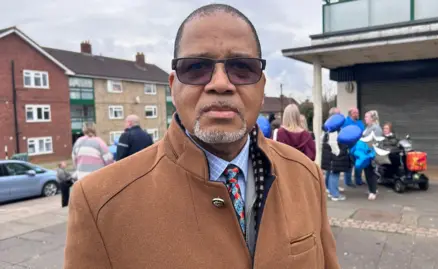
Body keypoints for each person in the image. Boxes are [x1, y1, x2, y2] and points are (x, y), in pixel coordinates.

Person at [64, 4, 339, 269]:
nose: (220, 84)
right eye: (196, 67)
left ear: (262, 87)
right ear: (173, 87)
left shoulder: (306, 176)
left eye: (242, 67)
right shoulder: (99, 202)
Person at [321, 107, 351, 201]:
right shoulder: (333, 127)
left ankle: (330, 189)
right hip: (333, 154)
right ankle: (335, 194)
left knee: (330, 171)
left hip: (328, 154)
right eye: (338, 114)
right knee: (335, 172)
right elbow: (333, 142)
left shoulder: (327, 125)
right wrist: (339, 153)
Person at [342, 107, 365, 187]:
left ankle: (358, 180)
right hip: (349, 147)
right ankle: (348, 181)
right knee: (349, 165)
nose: (357, 114)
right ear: (351, 113)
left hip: (359, 147)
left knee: (359, 164)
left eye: (357, 112)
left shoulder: (360, 122)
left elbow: (363, 132)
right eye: (355, 112)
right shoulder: (346, 122)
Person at [363, 110, 382, 200]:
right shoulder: (367, 127)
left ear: (372, 118)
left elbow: (376, 142)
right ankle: (371, 189)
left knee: (371, 172)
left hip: (372, 153)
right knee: (367, 172)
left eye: (367, 117)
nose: (365, 118)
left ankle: (373, 191)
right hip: (366, 153)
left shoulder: (376, 128)